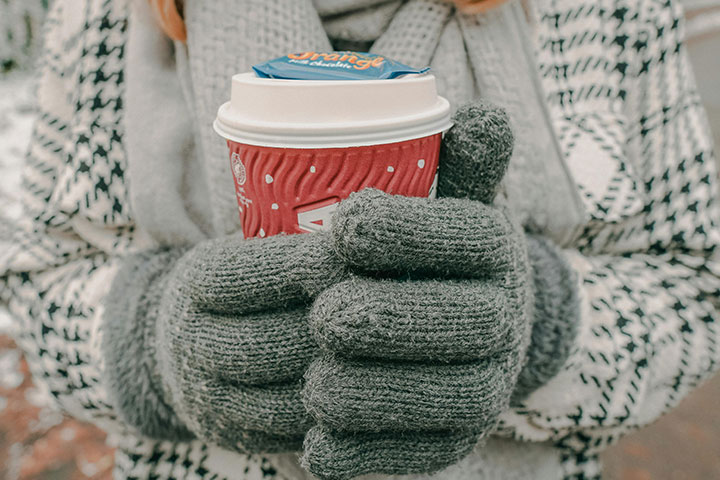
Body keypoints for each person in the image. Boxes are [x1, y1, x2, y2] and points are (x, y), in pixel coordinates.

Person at [2, 0, 719, 479]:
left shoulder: (602, 9)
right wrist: (155, 341)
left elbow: (695, 290)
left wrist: (535, 322)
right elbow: (38, 283)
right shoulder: (104, 11)